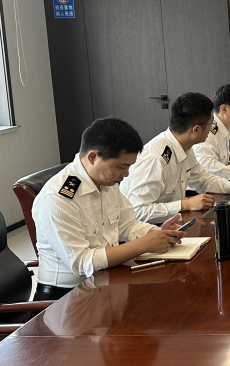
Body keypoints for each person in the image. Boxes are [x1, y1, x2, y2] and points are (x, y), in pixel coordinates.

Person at [31, 117, 186, 301]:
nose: (126, 174)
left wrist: (156, 233)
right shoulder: (59, 198)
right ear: (93, 157)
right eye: (121, 166)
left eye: (129, 166)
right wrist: (144, 244)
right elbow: (81, 262)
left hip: (107, 280)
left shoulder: (107, 181)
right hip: (66, 297)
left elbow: (126, 224)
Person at [121, 92, 230, 224]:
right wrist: (185, 204)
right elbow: (138, 211)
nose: (211, 129)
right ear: (196, 130)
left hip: (170, 223)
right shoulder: (155, 158)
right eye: (210, 124)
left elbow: (203, 180)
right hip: (146, 228)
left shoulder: (185, 147)